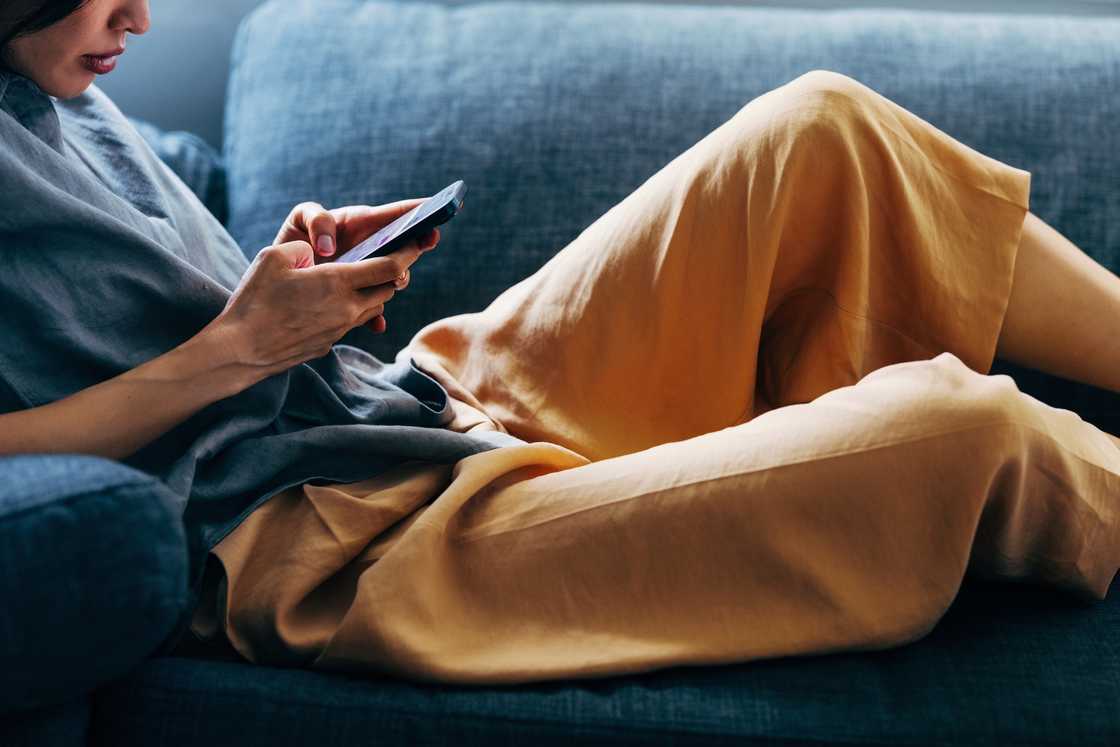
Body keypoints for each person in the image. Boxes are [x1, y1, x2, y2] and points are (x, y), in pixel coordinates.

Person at [2, 0, 1119, 685]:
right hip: (317, 545)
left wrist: (289, 284)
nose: (138, 18)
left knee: (821, 129)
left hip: (402, 406)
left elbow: (124, 303)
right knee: (958, 432)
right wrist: (241, 348)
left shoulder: (60, 84)